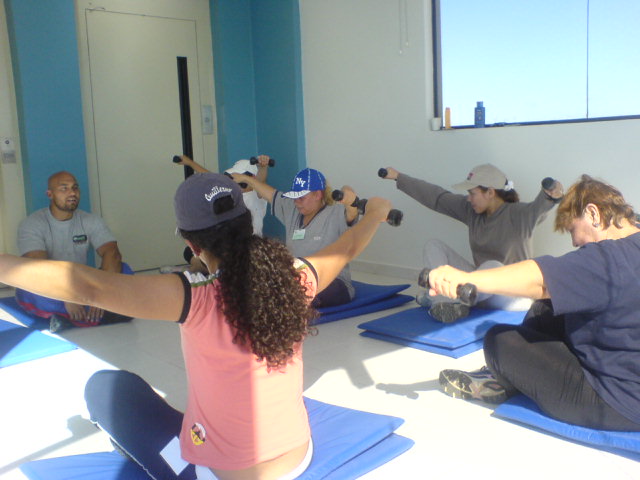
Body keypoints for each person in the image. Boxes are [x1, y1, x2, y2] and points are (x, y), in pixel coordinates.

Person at [0, 172, 393, 479]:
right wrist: (375, 213)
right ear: (247, 223)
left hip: (213, 474)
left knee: (105, 387)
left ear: (192, 244)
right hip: (298, 459)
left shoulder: (194, 296)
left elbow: (87, 286)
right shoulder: (294, 277)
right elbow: (347, 246)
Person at [432, 174, 640, 431]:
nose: (575, 242)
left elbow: (540, 280)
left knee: (500, 340)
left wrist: (466, 278)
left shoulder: (608, 257)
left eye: (573, 230)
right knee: (547, 307)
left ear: (593, 213)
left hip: (617, 401)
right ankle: (509, 376)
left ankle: (503, 379)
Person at [380, 163, 563, 323]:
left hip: (511, 295)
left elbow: (540, 207)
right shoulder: (471, 212)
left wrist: (551, 195)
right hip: (476, 289)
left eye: (472, 193)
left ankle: (450, 300)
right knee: (433, 246)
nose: (468, 198)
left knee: (493, 265)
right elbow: (437, 197)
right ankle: (443, 303)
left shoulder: (519, 214)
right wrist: (399, 177)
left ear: (490, 192)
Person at [15, 171, 132, 332]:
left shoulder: (91, 220)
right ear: (50, 194)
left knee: (125, 271)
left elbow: (112, 253)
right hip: (51, 286)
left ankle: (69, 317)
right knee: (28, 289)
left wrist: (101, 294)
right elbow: (37, 266)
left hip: (82, 282)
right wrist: (65, 295)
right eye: (64, 188)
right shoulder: (32, 223)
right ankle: (102, 313)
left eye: (75, 188)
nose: (72, 193)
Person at [235, 167, 360, 308]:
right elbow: (270, 194)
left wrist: (347, 192)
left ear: (318, 195)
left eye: (301, 198)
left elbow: (352, 211)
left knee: (292, 293)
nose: (297, 202)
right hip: (298, 276)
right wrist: (246, 179)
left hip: (333, 281)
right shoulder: (292, 209)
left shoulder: (336, 213)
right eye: (295, 197)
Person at [167, 155, 271, 274]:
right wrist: (190, 163)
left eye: (241, 181)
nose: (235, 183)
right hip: (226, 246)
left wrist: (262, 169)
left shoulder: (257, 196)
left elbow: (261, 183)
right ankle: (193, 270)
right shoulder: (232, 194)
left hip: (247, 249)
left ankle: (191, 271)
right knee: (191, 252)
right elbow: (211, 180)